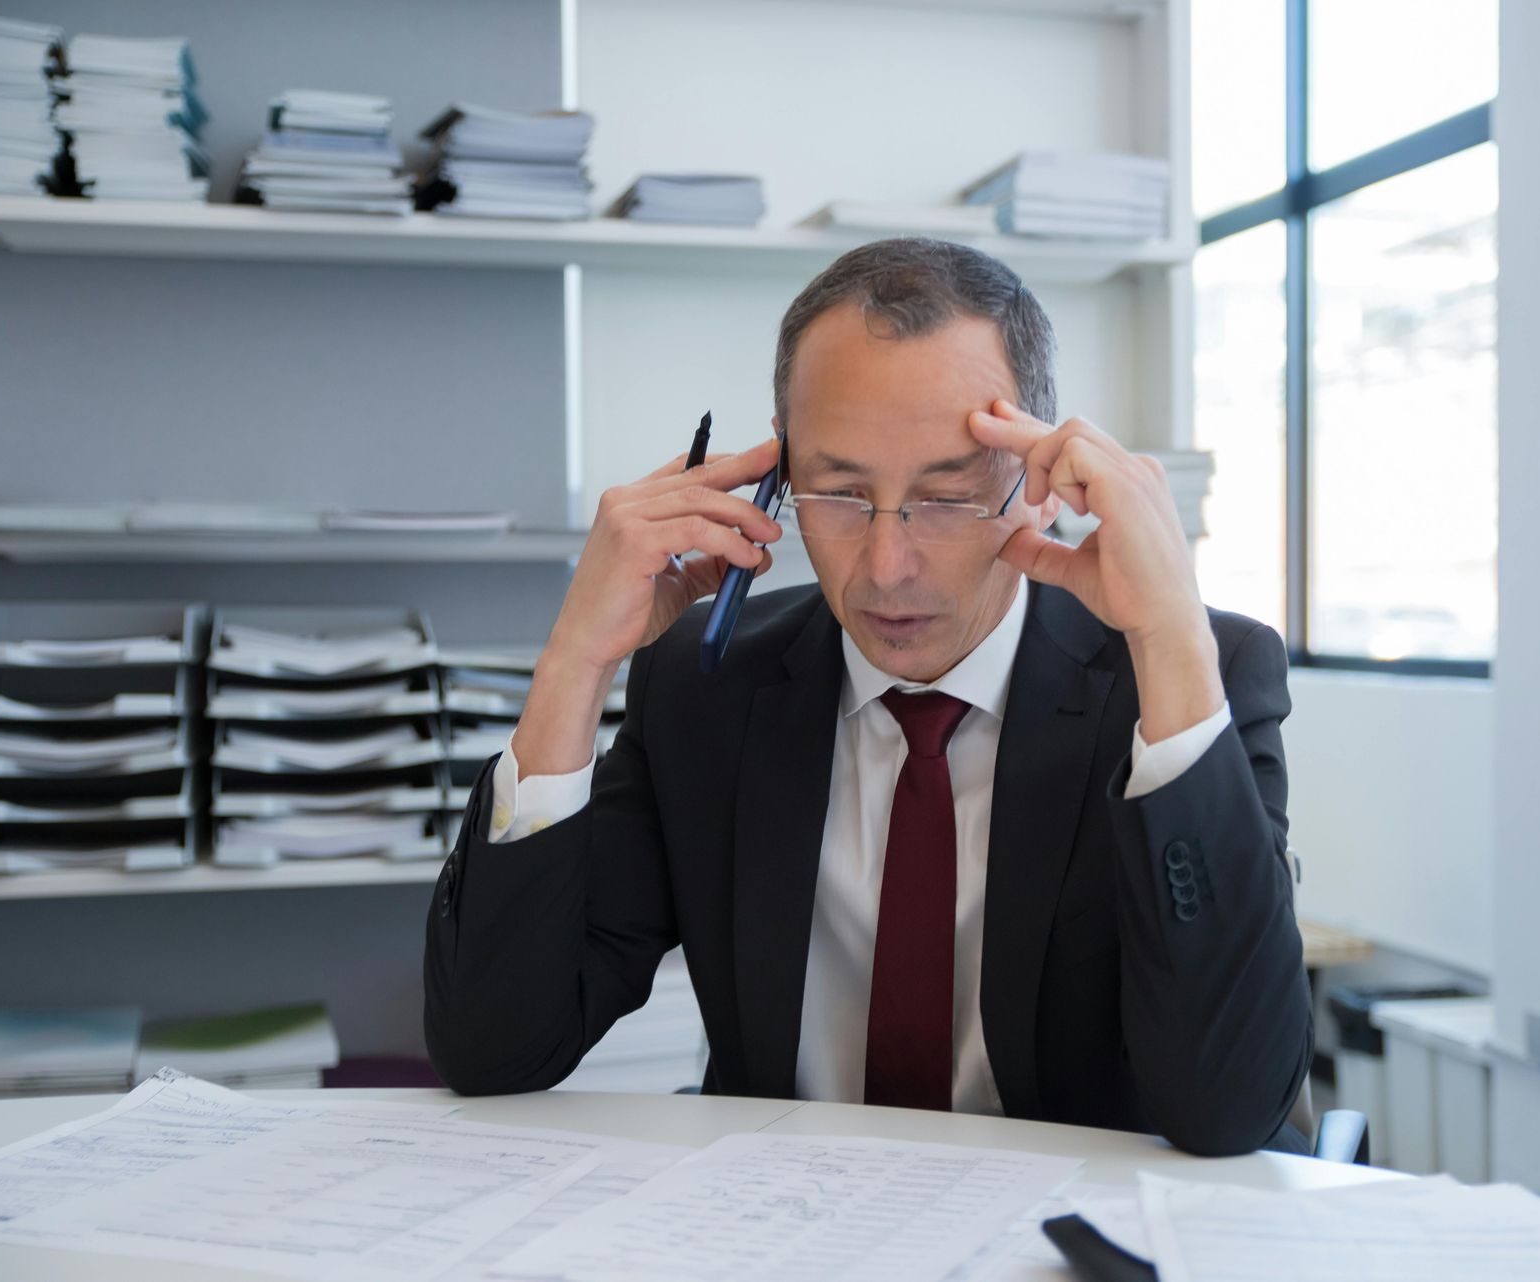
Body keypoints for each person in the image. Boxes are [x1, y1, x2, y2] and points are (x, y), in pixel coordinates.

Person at [424, 237, 1312, 1156]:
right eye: (841, 495)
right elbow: (496, 1048)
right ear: (777, 482)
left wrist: (1170, 640)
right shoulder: (707, 684)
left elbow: (1231, 1107)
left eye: (949, 498)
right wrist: (575, 660)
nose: (888, 570)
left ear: (1040, 486)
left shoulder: (1185, 678)